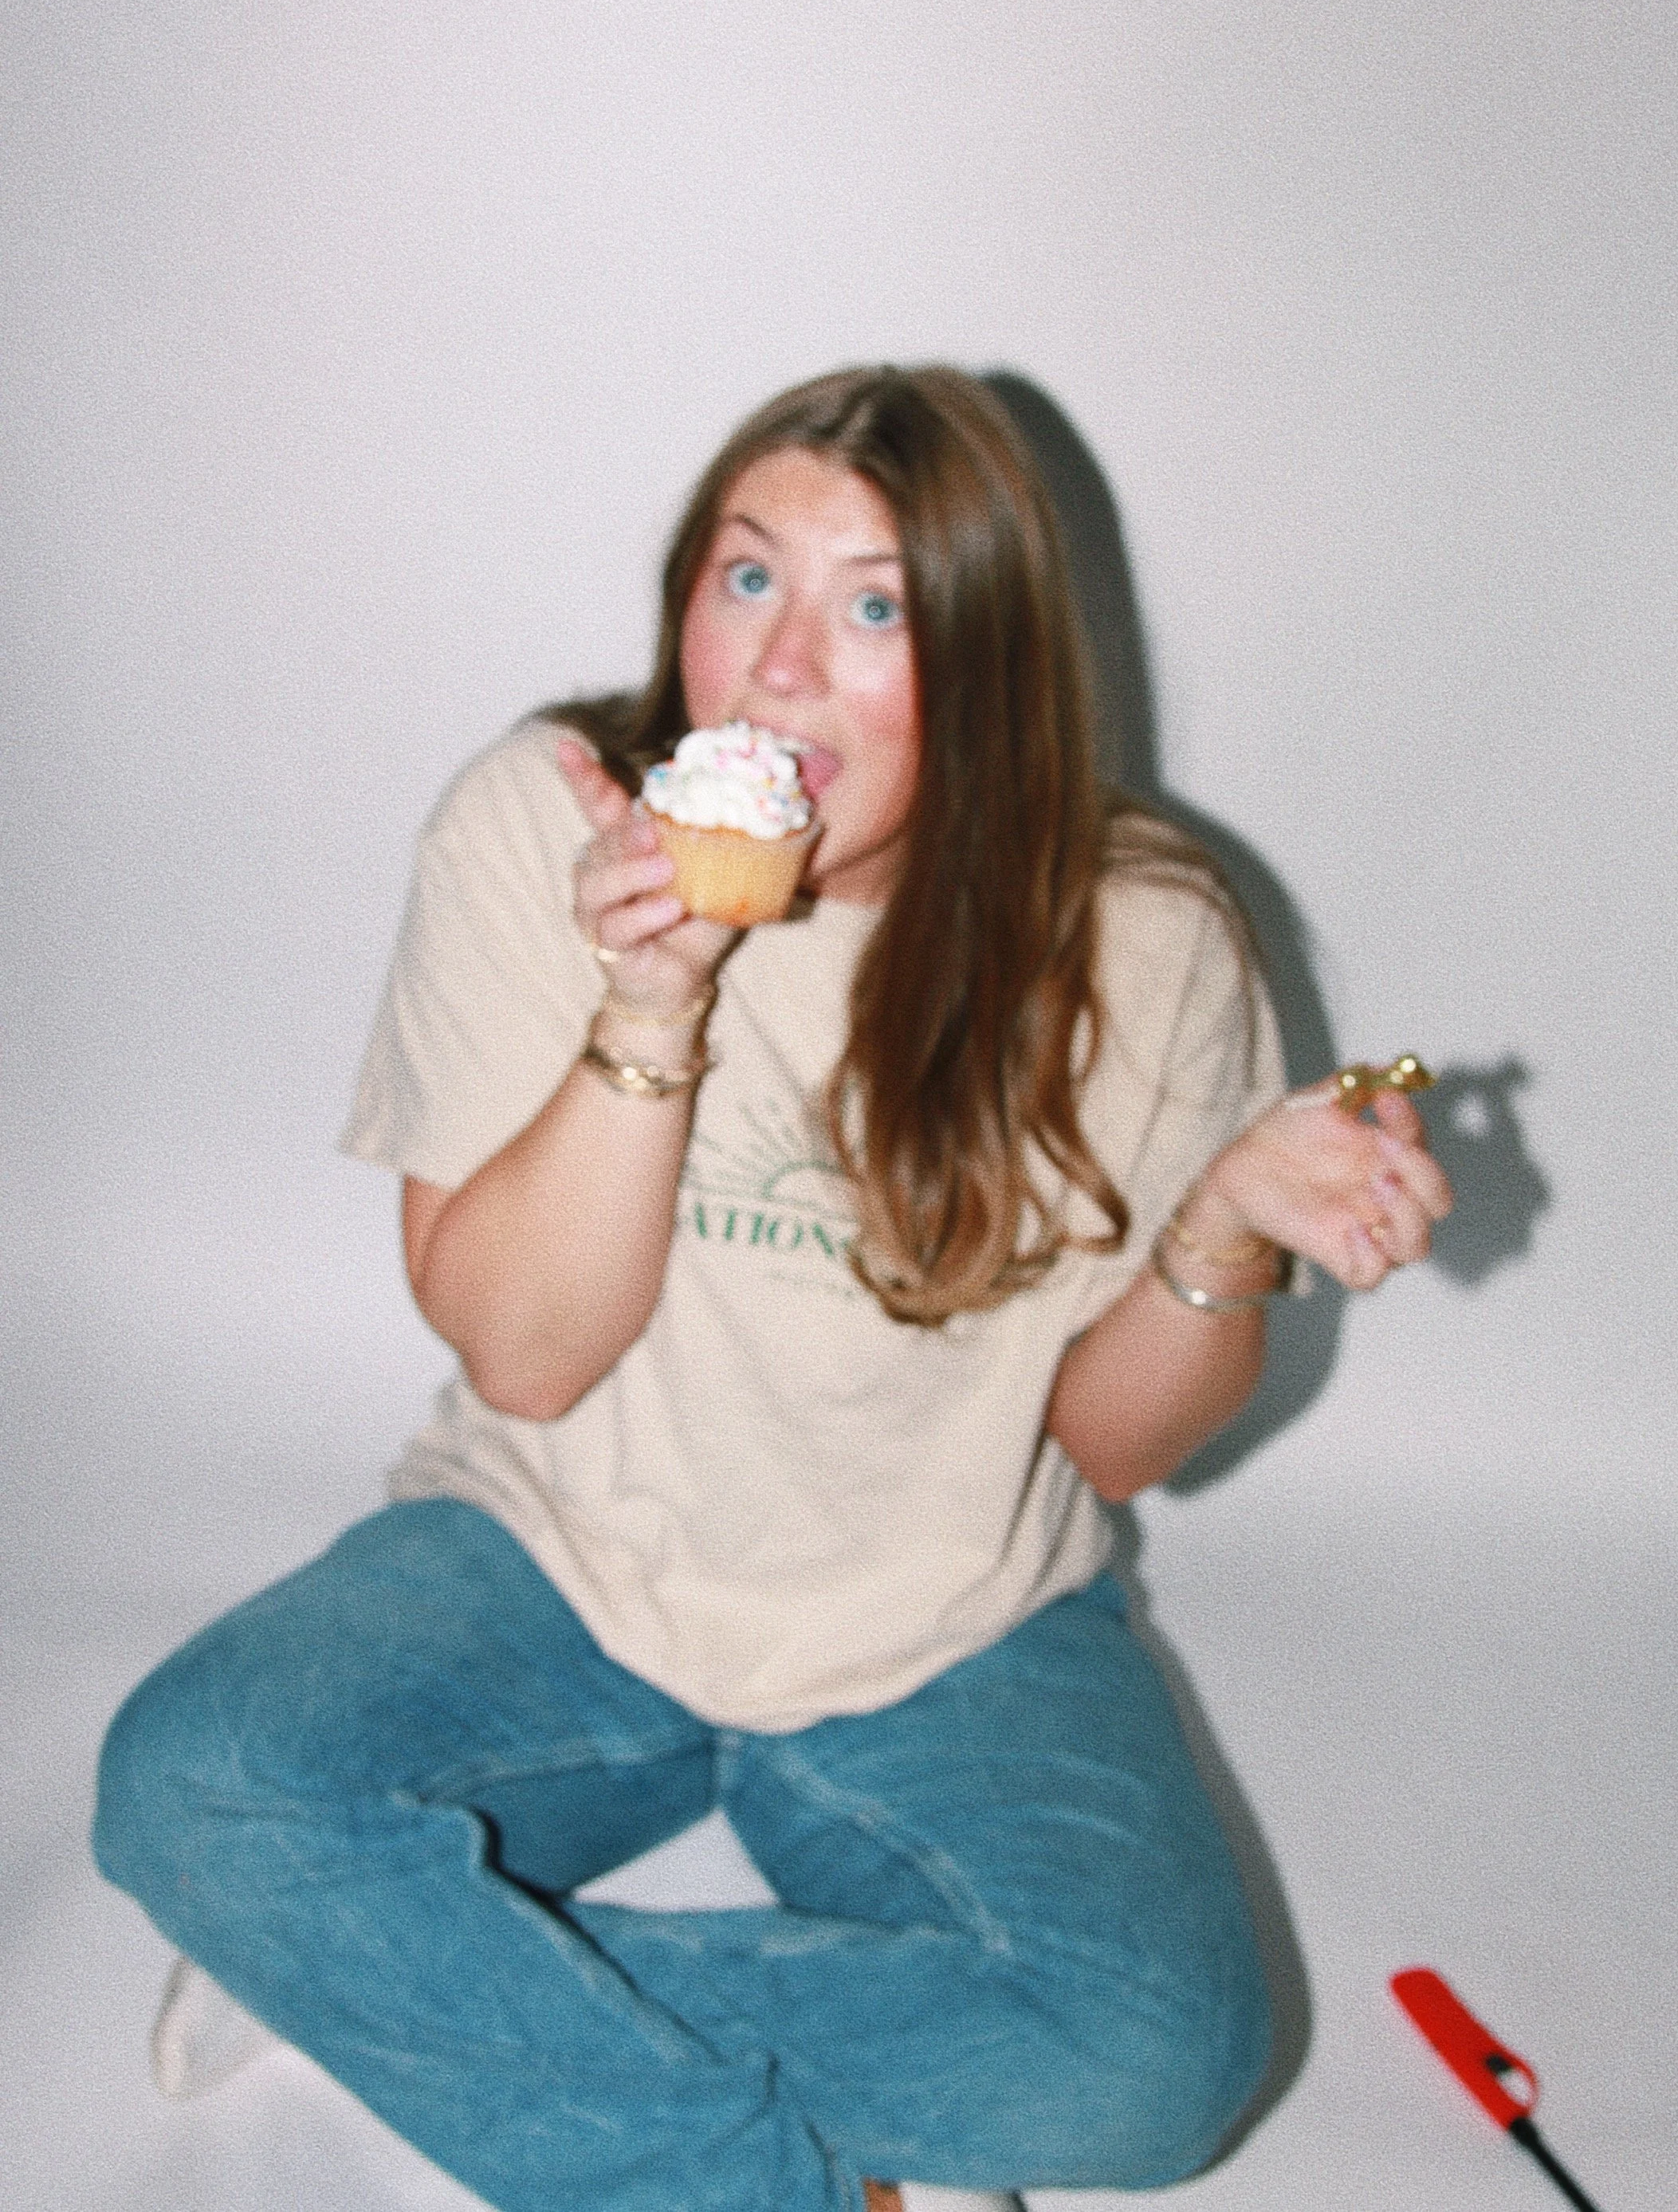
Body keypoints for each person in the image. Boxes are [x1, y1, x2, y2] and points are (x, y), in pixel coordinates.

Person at [94, 366, 1451, 2212]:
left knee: (1157, 2065)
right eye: (745, 580)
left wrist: (1219, 1234)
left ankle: (395, 1994)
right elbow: (524, 1353)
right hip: (558, 1570)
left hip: (946, 1620)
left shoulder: (1144, 935)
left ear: (986, 666)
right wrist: (649, 1005)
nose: (781, 668)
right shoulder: (544, 821)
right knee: (195, 1787)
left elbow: (1111, 1451)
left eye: (874, 607)